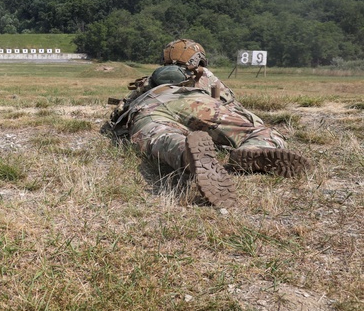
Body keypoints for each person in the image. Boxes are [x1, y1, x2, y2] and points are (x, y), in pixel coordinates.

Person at [104, 62, 311, 208]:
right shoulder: (196, 84)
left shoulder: (144, 90)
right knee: (254, 130)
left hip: (149, 107)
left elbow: (116, 118)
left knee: (161, 136)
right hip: (196, 102)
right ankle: (255, 148)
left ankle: (185, 153)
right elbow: (231, 102)